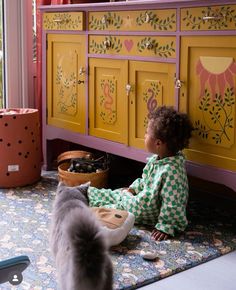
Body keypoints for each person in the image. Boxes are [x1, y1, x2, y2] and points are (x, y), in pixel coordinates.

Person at [88, 106, 194, 241]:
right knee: (114, 193)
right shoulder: (157, 160)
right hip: (141, 199)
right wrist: (133, 188)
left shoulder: (172, 171)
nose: (144, 136)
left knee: (113, 206)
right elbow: (144, 180)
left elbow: (173, 203)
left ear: (158, 143)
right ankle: (86, 193)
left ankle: (88, 207)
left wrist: (166, 226)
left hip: (144, 209)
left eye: (146, 133)